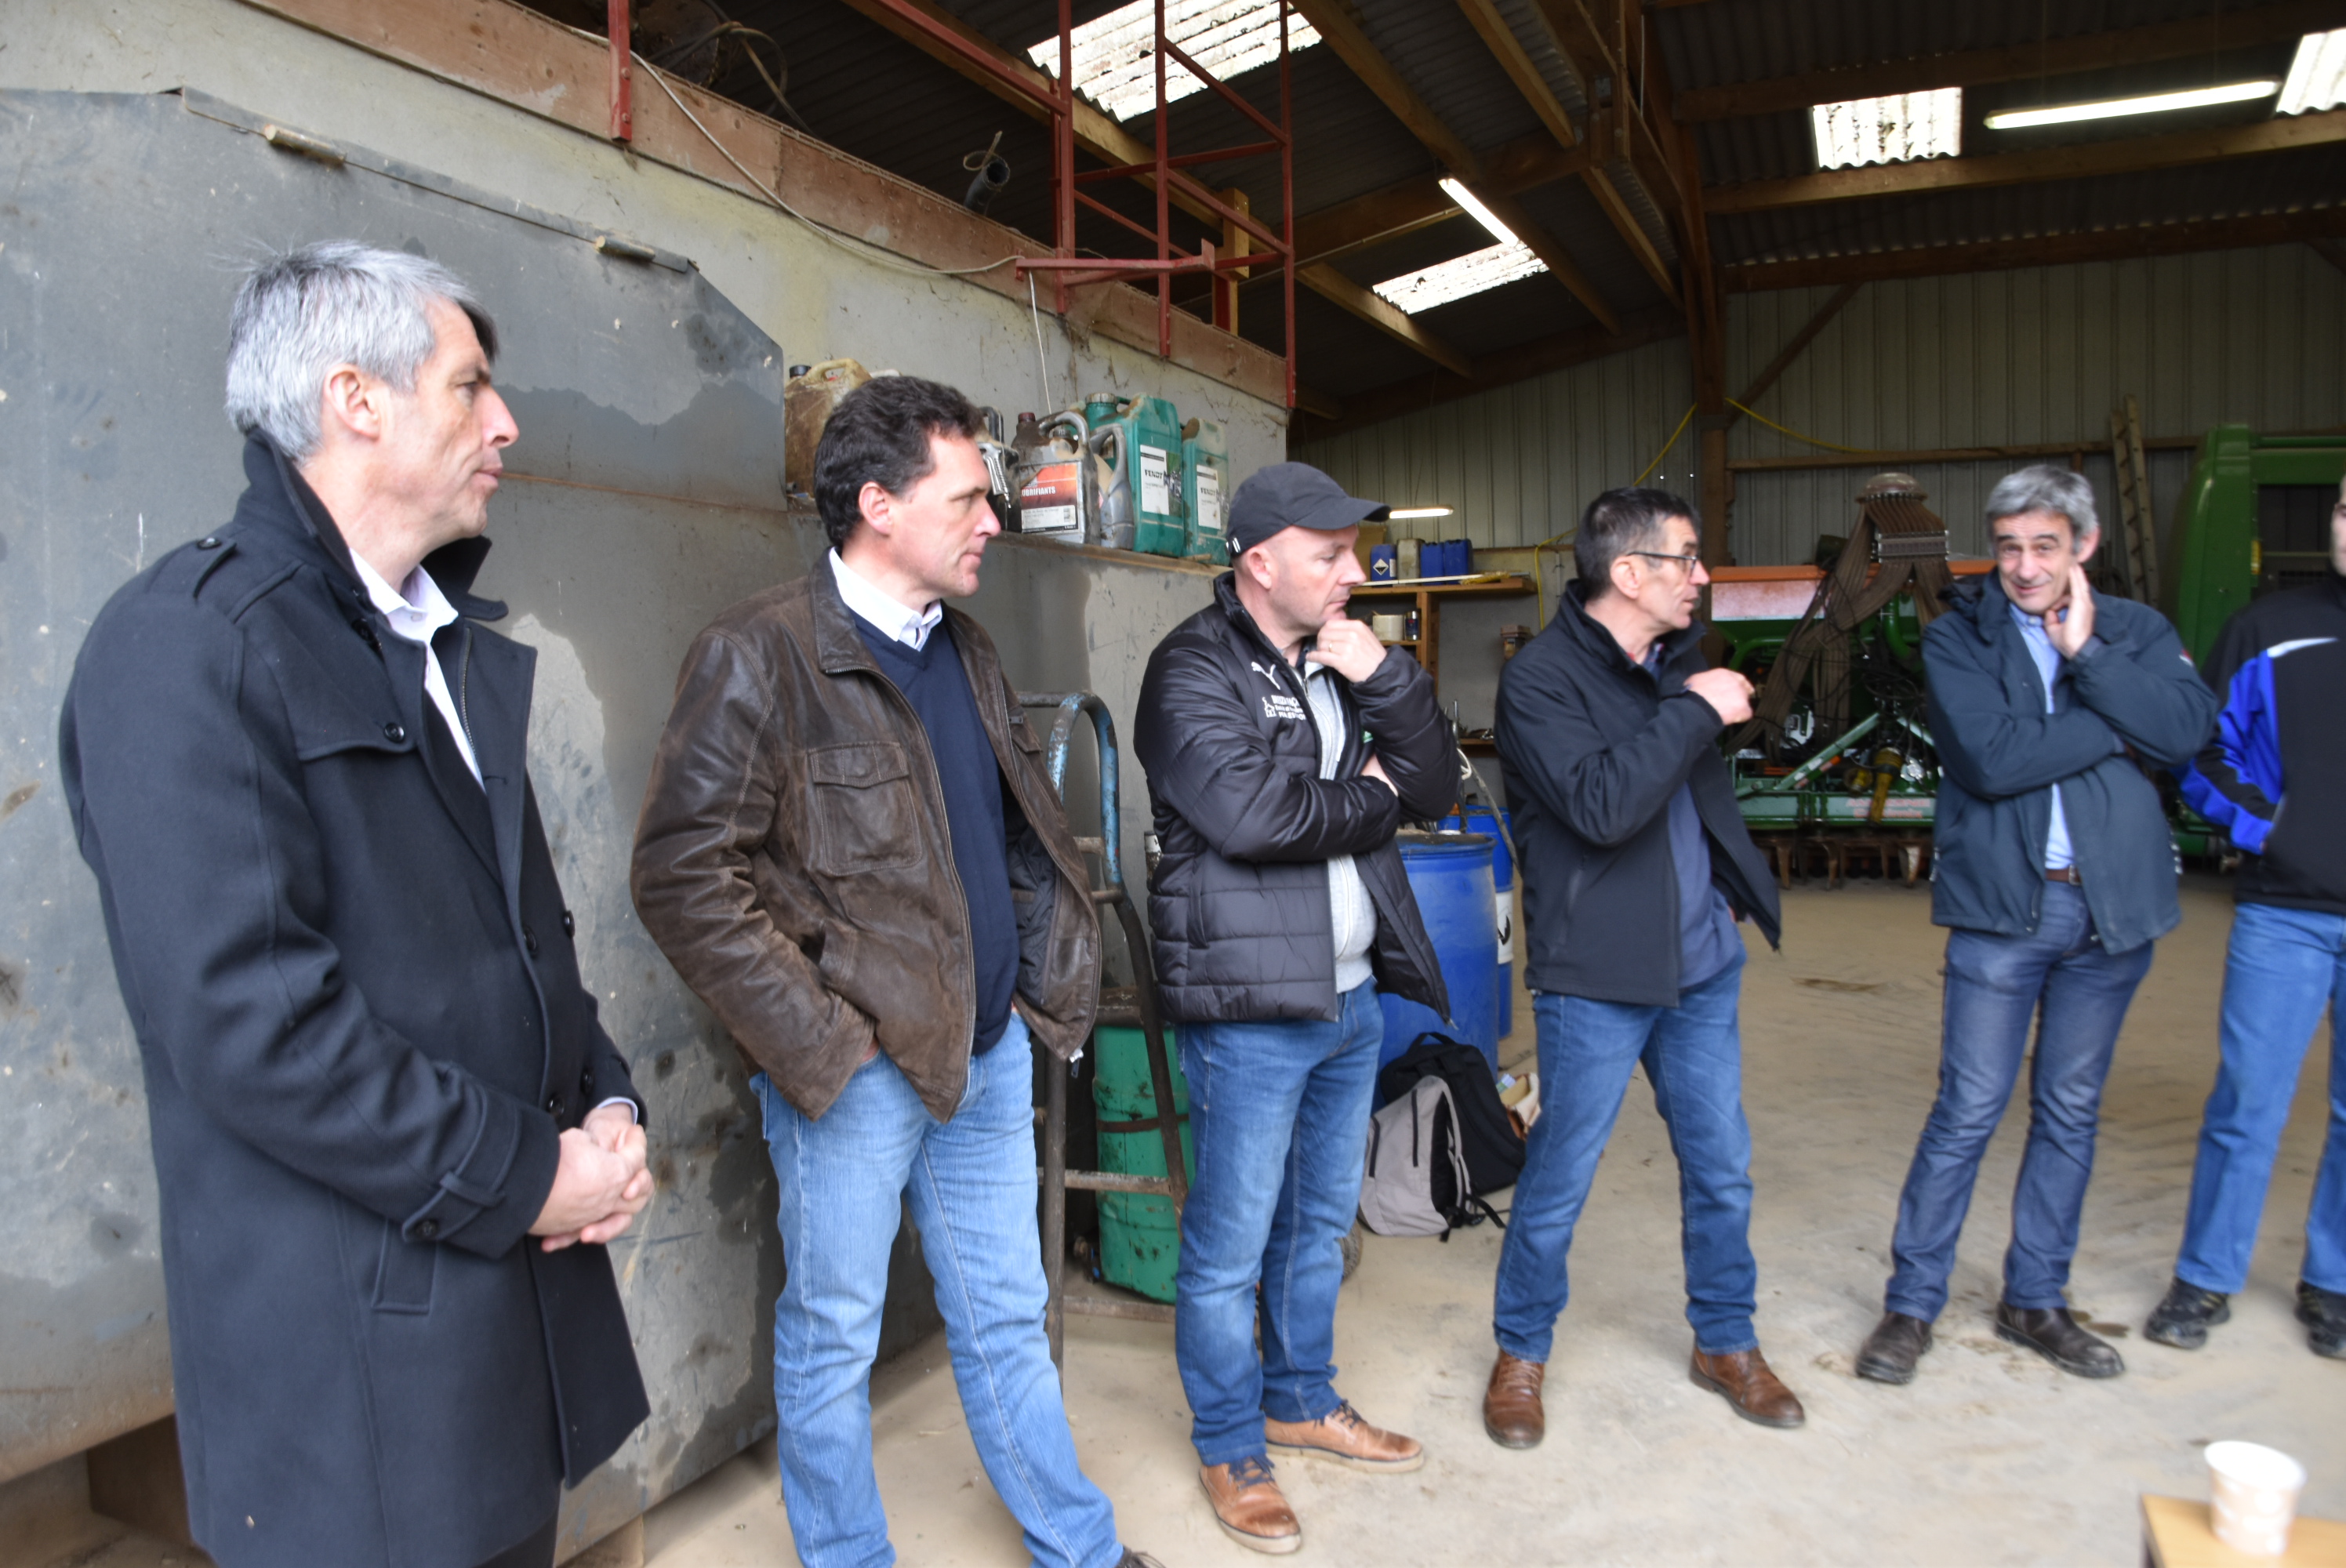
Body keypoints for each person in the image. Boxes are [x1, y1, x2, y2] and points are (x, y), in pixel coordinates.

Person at [58, 241, 652, 1568]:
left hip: (503, 1349)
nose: (506, 422)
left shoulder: (433, 642)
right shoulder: (190, 644)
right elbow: (259, 1032)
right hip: (357, 1392)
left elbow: (514, 946)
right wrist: (533, 1175)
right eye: (470, 385)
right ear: (355, 400)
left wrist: (607, 1107)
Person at [630, 376, 1157, 1568]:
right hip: (859, 1077)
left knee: (1007, 1316)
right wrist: (823, 1043)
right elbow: (681, 877)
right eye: (967, 498)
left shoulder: (965, 650)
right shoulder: (759, 655)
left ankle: (1077, 1549)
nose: (992, 522)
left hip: (984, 1051)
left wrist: (1019, 985)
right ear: (878, 503)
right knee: (833, 1337)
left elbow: (1010, 832)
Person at [1132, 462, 1455, 1555]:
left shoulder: (1346, 657)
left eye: (1352, 551)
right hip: (1251, 1009)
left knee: (1318, 1226)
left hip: (1350, 998)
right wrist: (1374, 798)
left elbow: (1437, 786)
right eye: (1329, 554)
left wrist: (1388, 678)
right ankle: (1230, 1442)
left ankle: (1301, 1397)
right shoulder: (1190, 668)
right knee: (1229, 1246)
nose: (1352, 571)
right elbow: (1255, 817)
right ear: (1260, 561)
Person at [1856, 465, 2218, 1385]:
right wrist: (2117, 721)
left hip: (2111, 912)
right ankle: (1910, 1305)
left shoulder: (2135, 630)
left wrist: (2089, 659)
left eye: (2043, 546)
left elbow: (2184, 731)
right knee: (1967, 1108)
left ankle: (2035, 1298)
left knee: (2068, 1109)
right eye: (2008, 546)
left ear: (2082, 545)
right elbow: (1991, 758)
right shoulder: (1959, 636)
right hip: (2003, 912)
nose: (2022, 567)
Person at [1484, 486, 1798, 1447]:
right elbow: (1602, 805)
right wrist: (1694, 711)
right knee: (1561, 1174)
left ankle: (1726, 1339)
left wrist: (1727, 885)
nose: (1701, 576)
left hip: (1700, 961)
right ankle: (1521, 1349)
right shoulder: (1539, 681)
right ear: (1628, 572)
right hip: (1597, 971)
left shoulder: (1677, 659)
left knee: (1721, 1163)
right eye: (1686, 558)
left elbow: (1693, 793)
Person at [2145, 474, 2346, 1361]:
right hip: (2285, 913)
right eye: (2345, 509)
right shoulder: (2268, 627)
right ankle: (2205, 1275)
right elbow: (2200, 750)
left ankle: (2334, 1282)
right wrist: (2274, 828)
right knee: (2247, 1102)